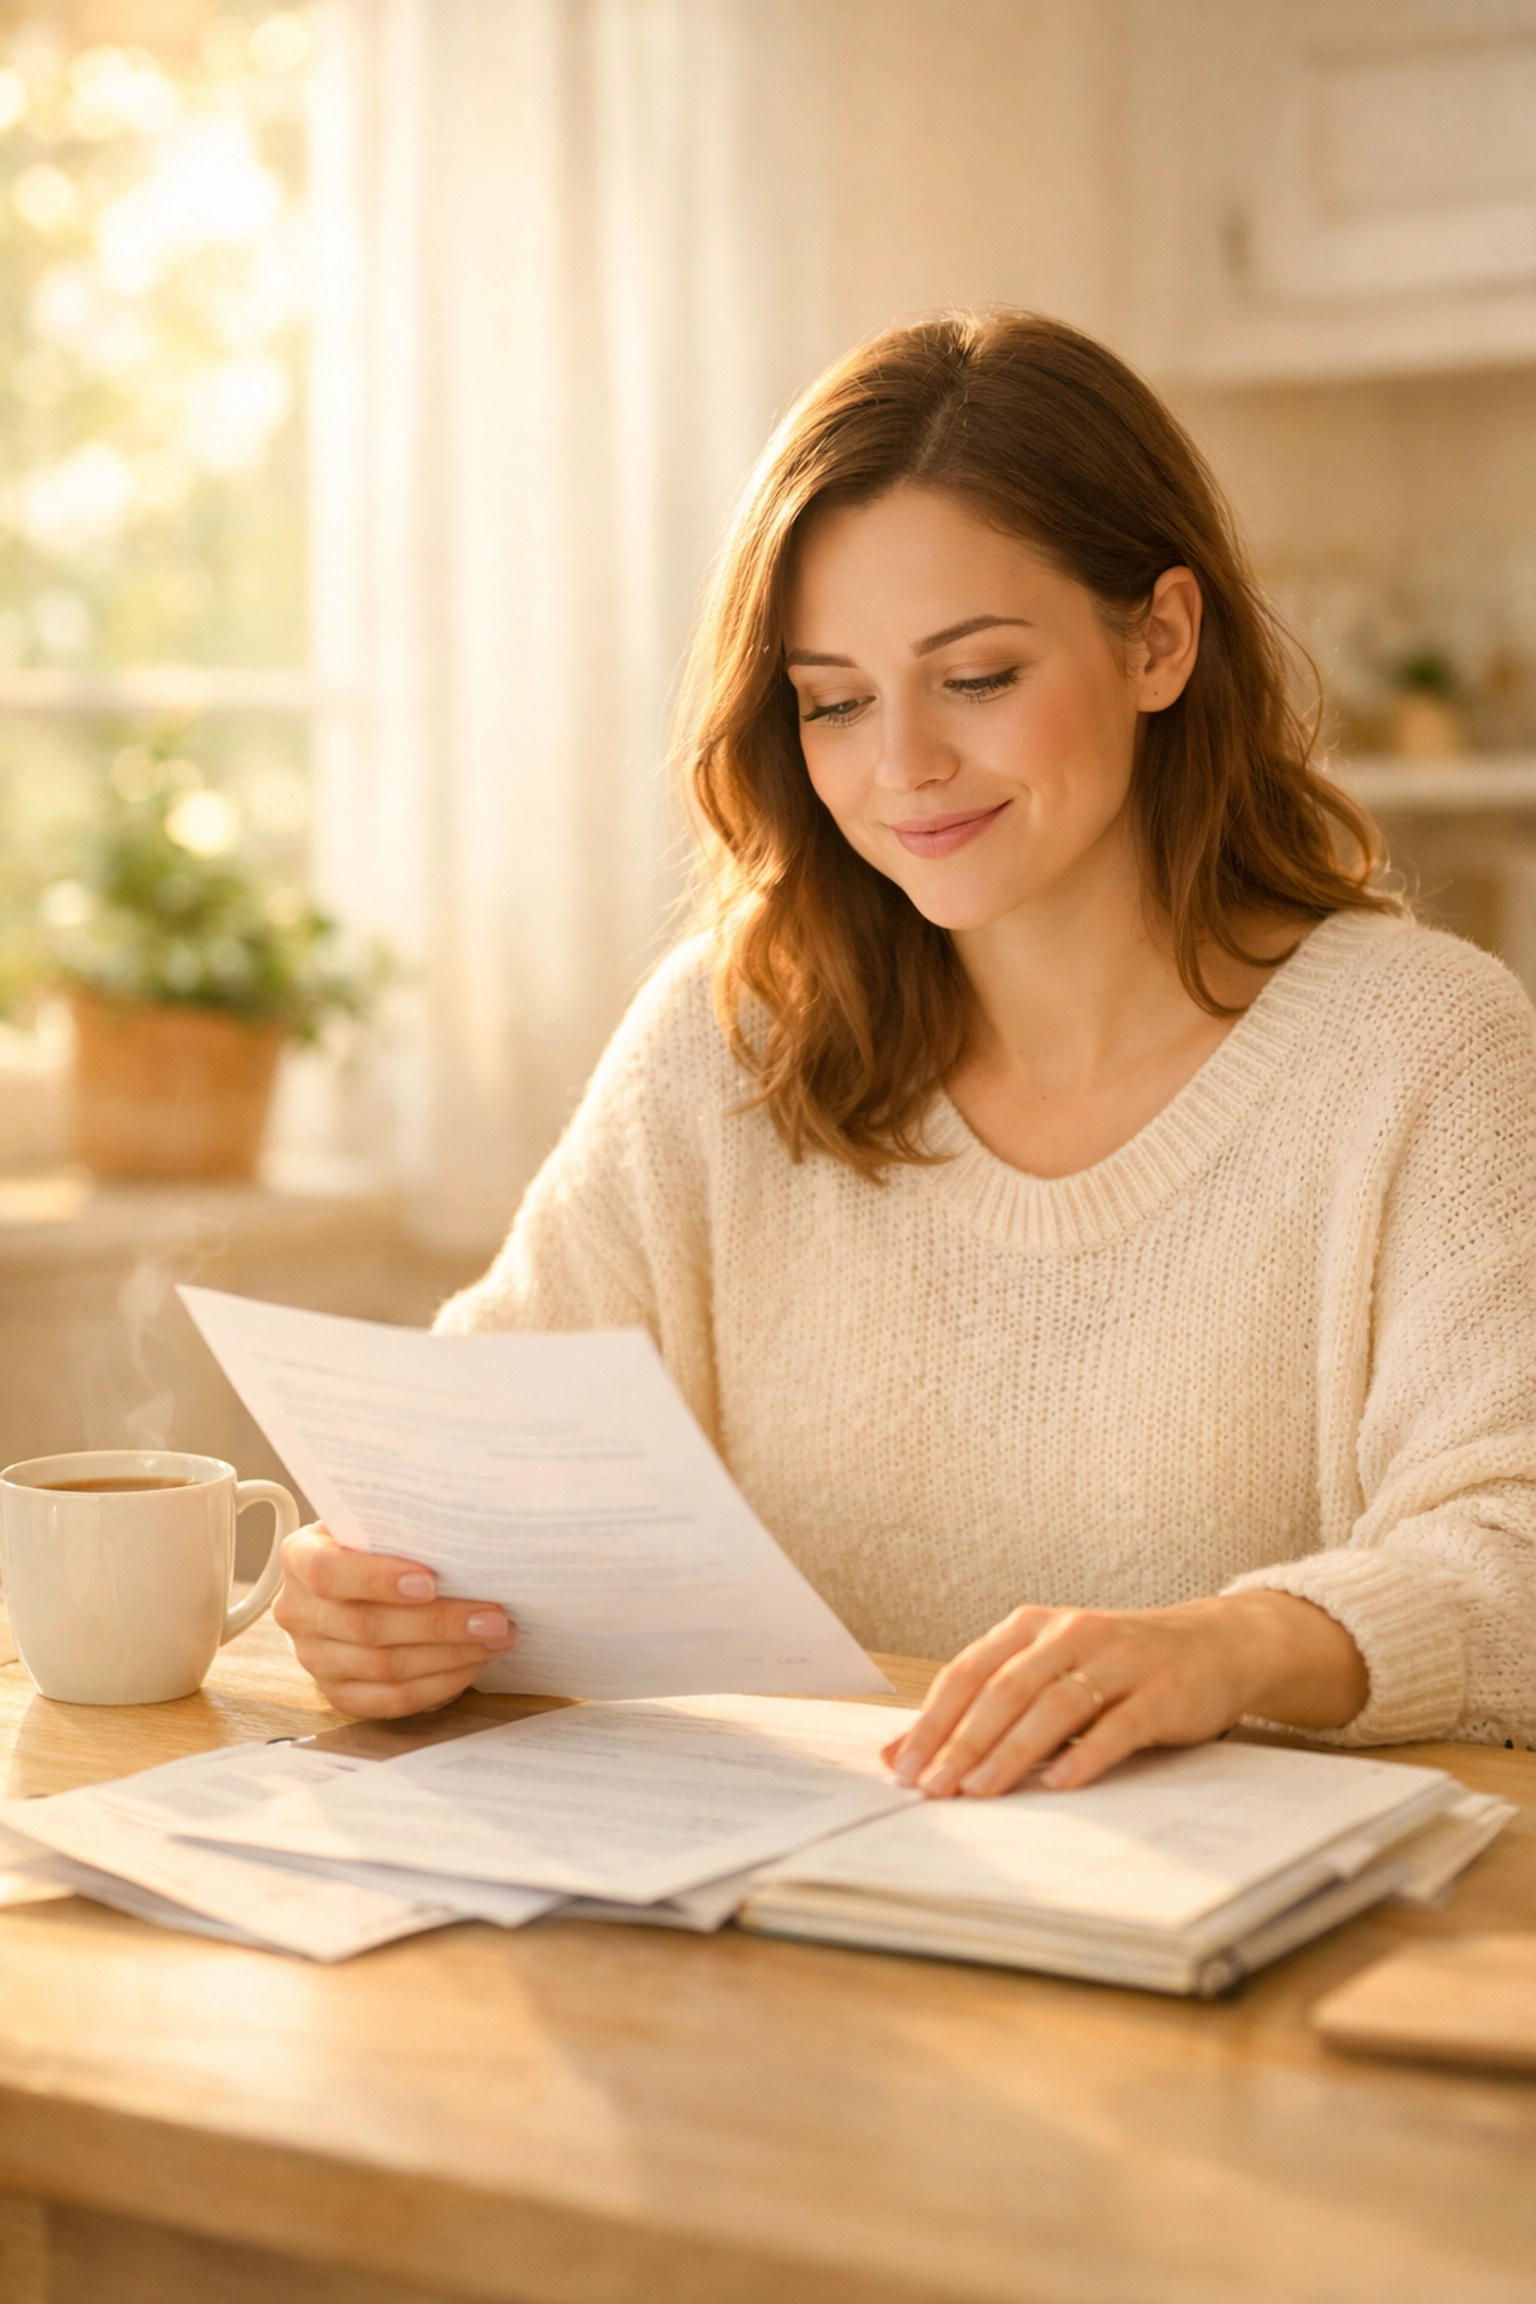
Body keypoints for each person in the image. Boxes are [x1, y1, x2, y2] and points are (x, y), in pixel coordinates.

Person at [275, 311, 1536, 1794]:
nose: (904, 767)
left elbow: (1511, 1557)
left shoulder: (1425, 1053)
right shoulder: (732, 1037)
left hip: (1235, 1922)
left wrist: (1230, 1645)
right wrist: (376, 1593)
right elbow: (475, 1451)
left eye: (979, 676)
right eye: (835, 701)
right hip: (773, 1907)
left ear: (1159, 639)